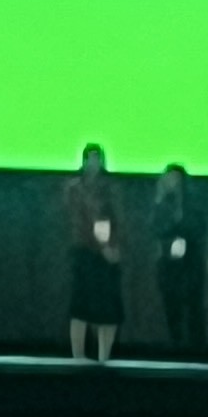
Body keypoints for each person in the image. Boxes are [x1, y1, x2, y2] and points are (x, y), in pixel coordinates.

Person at [58, 141, 123, 362]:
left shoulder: (110, 186)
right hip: (83, 252)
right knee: (81, 305)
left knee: (107, 308)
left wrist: (112, 247)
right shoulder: (74, 188)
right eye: (91, 159)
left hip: (107, 254)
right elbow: (81, 221)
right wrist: (101, 246)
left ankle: (104, 355)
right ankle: (78, 355)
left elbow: (115, 219)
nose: (94, 163)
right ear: (84, 161)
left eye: (98, 159)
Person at [148, 163, 205, 360]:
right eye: (168, 178)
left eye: (175, 179)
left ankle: (196, 350)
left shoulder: (193, 201)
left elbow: (198, 227)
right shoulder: (161, 202)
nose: (171, 183)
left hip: (191, 262)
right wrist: (160, 201)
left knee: (193, 306)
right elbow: (155, 228)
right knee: (172, 306)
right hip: (168, 263)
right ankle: (177, 346)